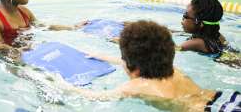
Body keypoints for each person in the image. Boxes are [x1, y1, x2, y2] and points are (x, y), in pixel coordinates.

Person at [60, 20, 241, 112]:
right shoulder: (170, 69)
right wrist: (105, 57)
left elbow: (91, 96)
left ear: (135, 69)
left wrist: (56, 82)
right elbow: (138, 61)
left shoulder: (134, 86)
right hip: (226, 98)